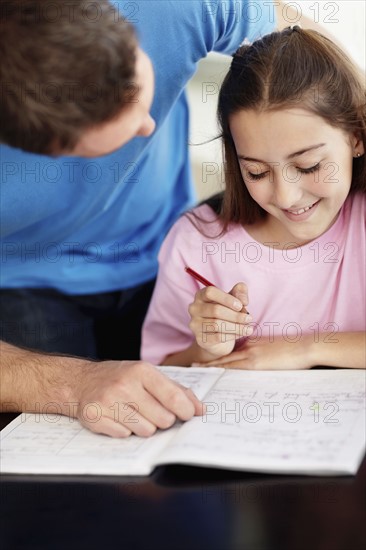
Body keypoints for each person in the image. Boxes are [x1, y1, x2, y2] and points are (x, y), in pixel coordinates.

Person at [1, 0, 282, 437]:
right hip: (21, 284)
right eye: (117, 138)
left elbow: (312, 67)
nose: (149, 127)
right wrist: (70, 385)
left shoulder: (174, 6)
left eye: (141, 91)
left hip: (170, 246)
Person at [141, 27, 366, 370]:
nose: (286, 197)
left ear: (356, 137)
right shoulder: (196, 243)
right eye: (257, 172)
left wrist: (307, 349)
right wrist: (208, 349)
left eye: (308, 166)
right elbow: (161, 365)